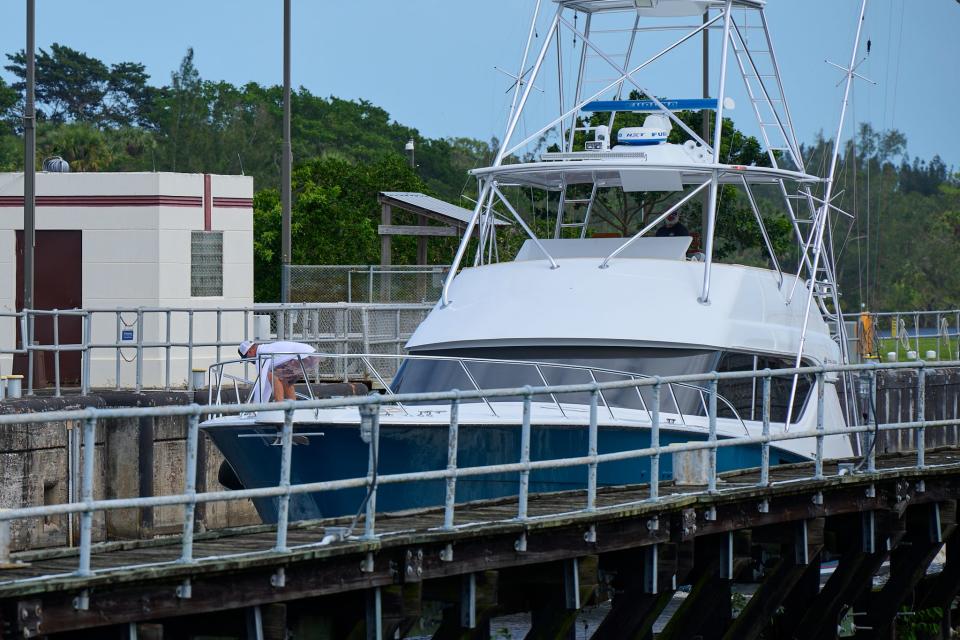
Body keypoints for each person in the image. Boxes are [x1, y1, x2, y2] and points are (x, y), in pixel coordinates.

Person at [238, 340, 320, 402]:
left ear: (250, 351)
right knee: (284, 379)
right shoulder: (265, 349)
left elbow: (262, 382)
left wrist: (256, 408)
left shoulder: (261, 354)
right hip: (312, 354)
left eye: (247, 358)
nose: (249, 361)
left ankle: (279, 408)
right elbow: (265, 383)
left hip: (305, 356)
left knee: (274, 376)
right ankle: (293, 408)